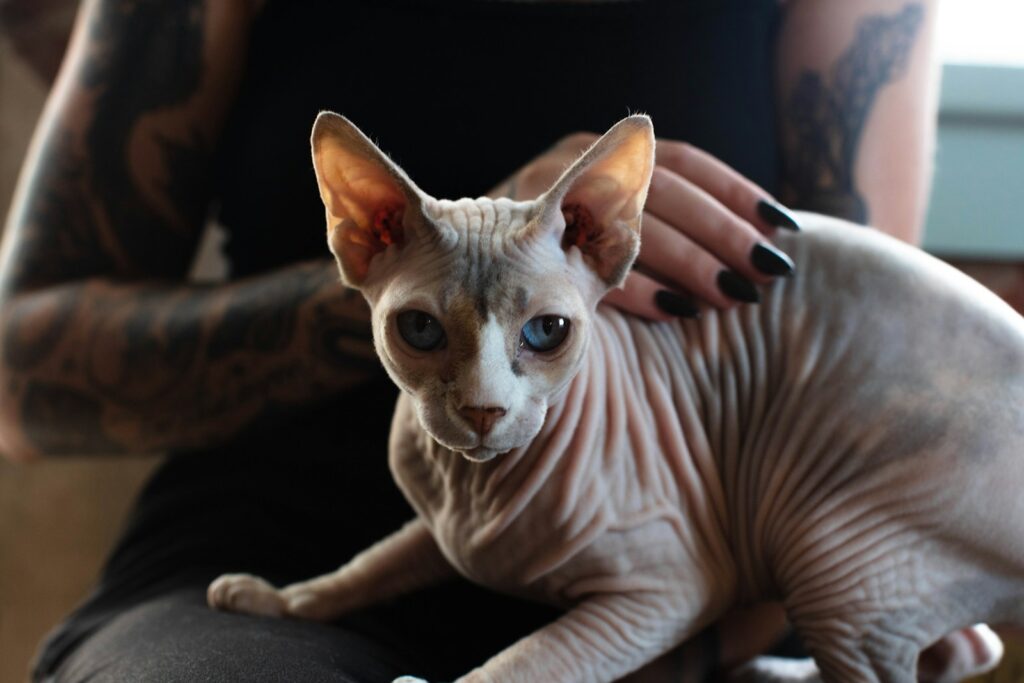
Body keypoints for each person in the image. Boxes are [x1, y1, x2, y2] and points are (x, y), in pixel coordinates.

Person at [0, 0, 940, 681]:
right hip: (278, 540)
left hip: (684, 576)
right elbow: (21, 374)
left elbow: (854, 429)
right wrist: (423, 270)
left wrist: (657, 645)